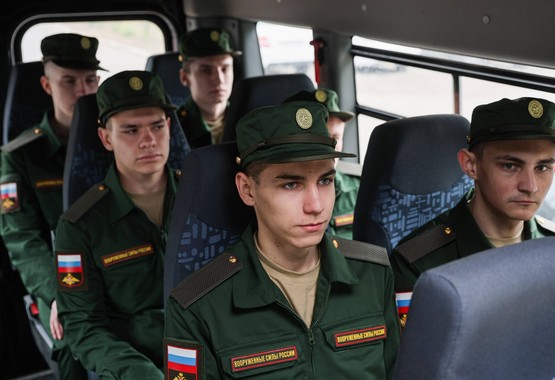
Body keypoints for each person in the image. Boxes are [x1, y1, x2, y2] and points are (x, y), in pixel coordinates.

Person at [164, 101, 400, 379]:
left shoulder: (373, 272)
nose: (315, 205)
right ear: (247, 189)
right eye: (291, 184)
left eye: (325, 181)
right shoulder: (196, 305)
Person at [391, 97, 555, 328]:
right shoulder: (419, 263)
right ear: (471, 165)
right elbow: (421, 360)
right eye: (510, 166)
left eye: (542, 167)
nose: (530, 186)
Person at [54, 70, 180, 378]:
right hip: (134, 362)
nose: (148, 140)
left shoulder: (204, 200)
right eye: (131, 130)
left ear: (169, 127)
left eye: (157, 126)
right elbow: (84, 326)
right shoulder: (80, 225)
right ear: (105, 138)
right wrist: (138, 373)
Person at [0, 32, 105, 379]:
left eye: (90, 80)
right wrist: (60, 292)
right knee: (76, 340)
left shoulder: (120, 140)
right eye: (69, 81)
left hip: (122, 269)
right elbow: (23, 240)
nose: (82, 91)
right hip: (60, 277)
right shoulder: (21, 156)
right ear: (47, 85)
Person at [284, 88, 360, 239]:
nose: (330, 147)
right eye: (320, 138)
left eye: (335, 137)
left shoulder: (360, 190)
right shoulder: (276, 196)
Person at [177, 27, 242, 149]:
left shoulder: (247, 120)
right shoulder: (175, 128)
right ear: (184, 77)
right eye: (206, 71)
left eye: (225, 69)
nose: (219, 79)